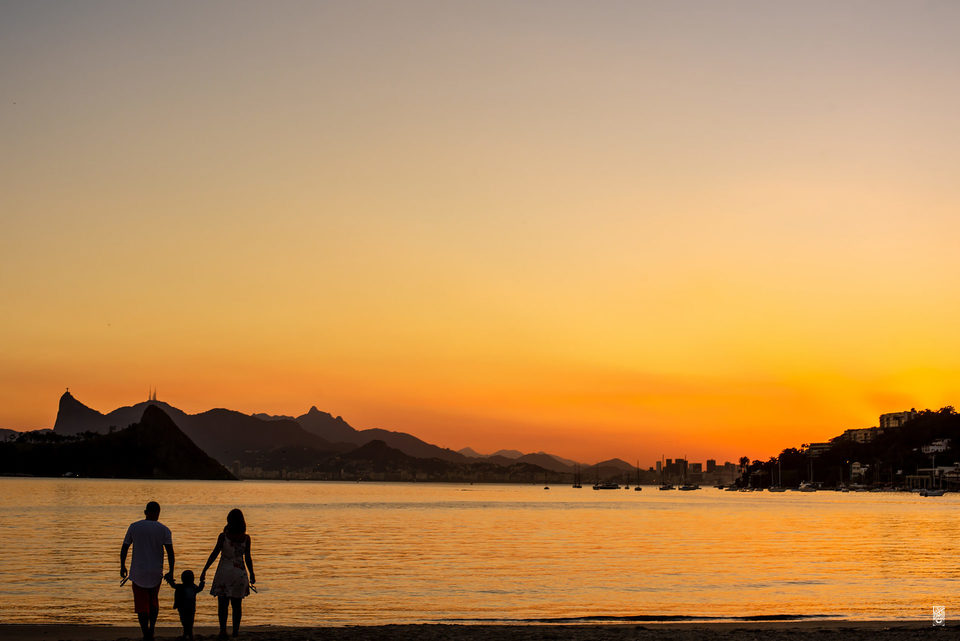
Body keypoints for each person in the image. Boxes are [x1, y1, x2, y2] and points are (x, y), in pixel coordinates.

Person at [120, 501, 175, 641]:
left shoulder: (134, 527)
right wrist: (171, 571)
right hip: (155, 572)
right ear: (158, 513)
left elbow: (125, 547)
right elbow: (170, 552)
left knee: (141, 605)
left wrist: (122, 566)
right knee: (153, 601)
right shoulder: (164, 529)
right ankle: (152, 629)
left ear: (145, 512)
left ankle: (145, 633)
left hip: (138, 572)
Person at [201, 509, 255, 638]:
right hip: (239, 573)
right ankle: (235, 632)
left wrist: (205, 569)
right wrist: (252, 574)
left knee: (223, 605)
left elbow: (214, 554)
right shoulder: (246, 538)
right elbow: (248, 558)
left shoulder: (223, 537)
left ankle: (223, 630)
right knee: (237, 605)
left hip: (224, 572)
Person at [167, 569, 204, 641]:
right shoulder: (191, 587)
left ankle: (187, 634)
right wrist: (202, 582)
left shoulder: (186, 587)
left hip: (185, 608)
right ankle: (188, 634)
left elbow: (173, 585)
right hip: (188, 608)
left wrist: (169, 579)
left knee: (186, 621)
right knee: (188, 621)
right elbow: (199, 589)